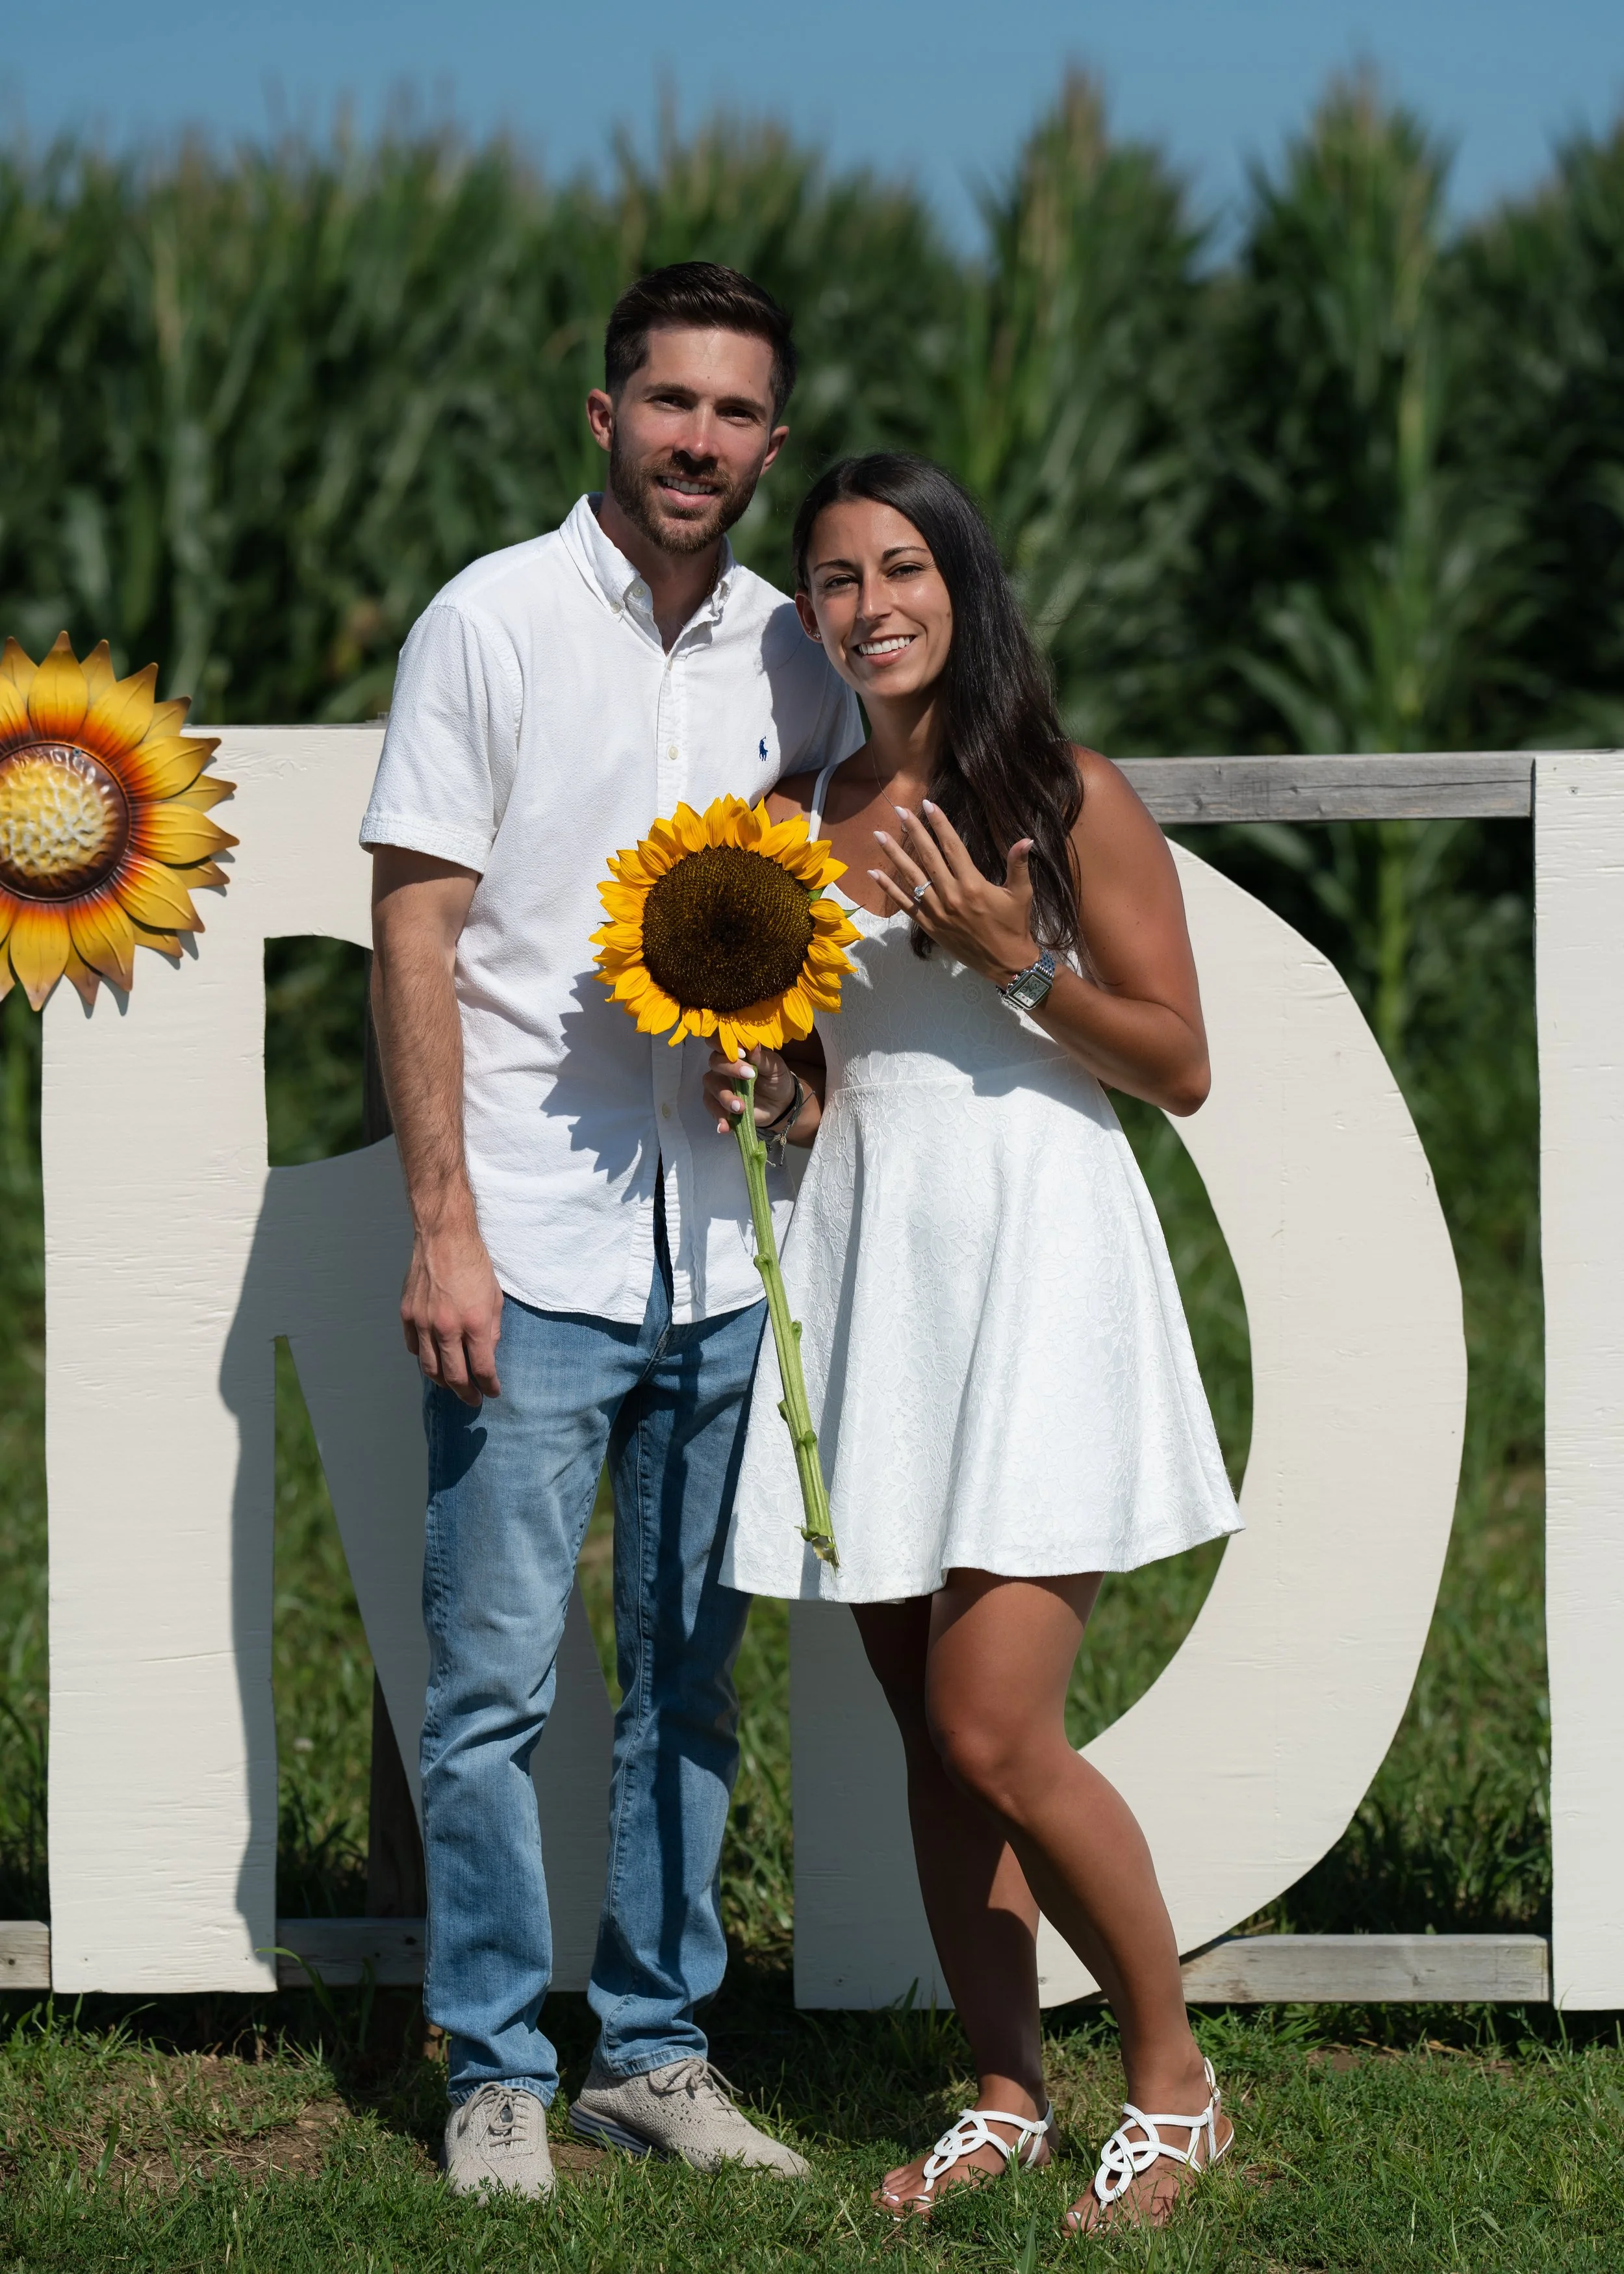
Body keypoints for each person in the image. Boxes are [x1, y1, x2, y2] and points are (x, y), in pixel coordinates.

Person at [362, 262, 859, 2199]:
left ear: (772, 440)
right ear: (602, 414)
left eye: (737, 415)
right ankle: (495, 2059)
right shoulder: (485, 622)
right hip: (533, 1249)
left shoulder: (796, 655)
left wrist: (797, 1085)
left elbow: (807, 946)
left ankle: (651, 2051)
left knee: (688, 1675)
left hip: (724, 1264)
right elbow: (416, 927)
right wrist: (440, 1227)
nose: (700, 444)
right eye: (670, 404)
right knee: (492, 1682)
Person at [711, 453, 1244, 2233]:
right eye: (837, 580)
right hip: (871, 1277)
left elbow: (1174, 1063)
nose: (871, 604)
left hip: (1038, 1273)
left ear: (964, 584)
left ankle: (1171, 2080)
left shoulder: (1061, 791)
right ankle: (1008, 2085)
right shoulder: (790, 812)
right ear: (808, 616)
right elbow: (822, 1073)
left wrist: (1009, 957)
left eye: (902, 568)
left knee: (992, 1721)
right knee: (926, 1740)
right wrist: (768, 1080)